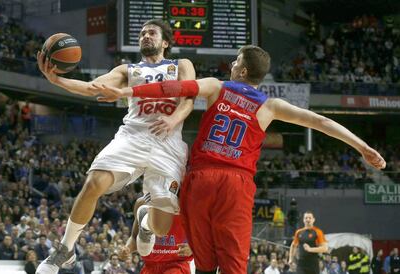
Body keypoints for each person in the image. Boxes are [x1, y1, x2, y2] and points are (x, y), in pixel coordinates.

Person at [92, 45, 386, 274]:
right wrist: (362, 147)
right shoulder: (270, 106)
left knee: (204, 265)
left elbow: (174, 88)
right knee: (234, 266)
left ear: (243, 71)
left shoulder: (216, 86)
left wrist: (126, 91)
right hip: (236, 183)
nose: (231, 64)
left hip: (201, 179)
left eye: (235, 61)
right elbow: (320, 122)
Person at [35, 18, 195, 274]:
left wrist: (174, 118)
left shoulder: (181, 65)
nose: (145, 36)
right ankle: (65, 250)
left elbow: (188, 97)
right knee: (93, 183)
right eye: (142, 33)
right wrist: (57, 81)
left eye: (151, 33)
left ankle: (144, 219)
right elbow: (92, 87)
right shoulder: (128, 70)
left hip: (168, 142)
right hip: (133, 136)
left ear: (165, 42)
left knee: (162, 226)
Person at [119, 196, 193, 274]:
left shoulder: (189, 205)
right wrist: (127, 249)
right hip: (150, 266)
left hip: (177, 264)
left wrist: (193, 249)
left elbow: (204, 238)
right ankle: (146, 225)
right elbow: (134, 237)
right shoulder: (142, 203)